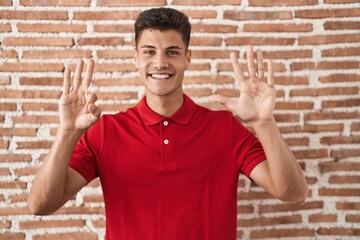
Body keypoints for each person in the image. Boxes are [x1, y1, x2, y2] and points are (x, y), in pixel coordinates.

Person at [28, 7, 308, 240]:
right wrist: (67, 133)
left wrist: (264, 123)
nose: (160, 62)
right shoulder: (105, 132)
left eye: (172, 52)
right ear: (135, 58)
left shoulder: (224, 128)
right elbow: (41, 204)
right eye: (149, 51)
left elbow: (292, 193)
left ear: (188, 58)